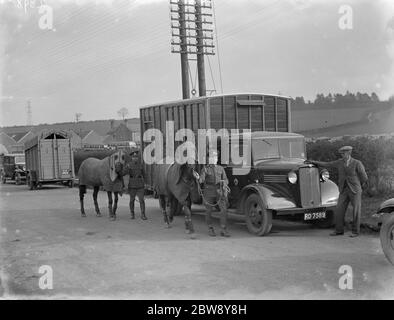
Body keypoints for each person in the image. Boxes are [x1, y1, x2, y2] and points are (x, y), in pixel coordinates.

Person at [311, 146, 368, 237]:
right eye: (341, 153)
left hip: (355, 190)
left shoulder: (357, 163)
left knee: (356, 211)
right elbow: (327, 164)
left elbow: (364, 177)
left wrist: (359, 186)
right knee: (339, 209)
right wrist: (314, 162)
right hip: (343, 190)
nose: (341, 155)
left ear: (348, 153)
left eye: (343, 153)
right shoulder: (339, 162)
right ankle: (339, 230)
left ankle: (355, 231)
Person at [194, 150, 230, 237]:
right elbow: (202, 180)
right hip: (209, 191)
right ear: (209, 159)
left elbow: (226, 179)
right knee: (209, 211)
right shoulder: (205, 169)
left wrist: (224, 183)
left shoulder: (220, 168)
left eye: (215, 157)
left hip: (219, 190)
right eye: (212, 157)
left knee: (224, 209)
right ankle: (210, 228)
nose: (214, 159)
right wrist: (198, 178)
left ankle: (223, 229)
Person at [127, 149, 147, 220]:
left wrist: (145, 183)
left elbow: (144, 175)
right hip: (132, 185)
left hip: (140, 185)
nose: (135, 158)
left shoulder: (141, 165)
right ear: (132, 158)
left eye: (136, 157)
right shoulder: (129, 165)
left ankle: (143, 214)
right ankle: (132, 213)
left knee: (141, 200)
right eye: (134, 157)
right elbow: (125, 174)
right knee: (132, 200)